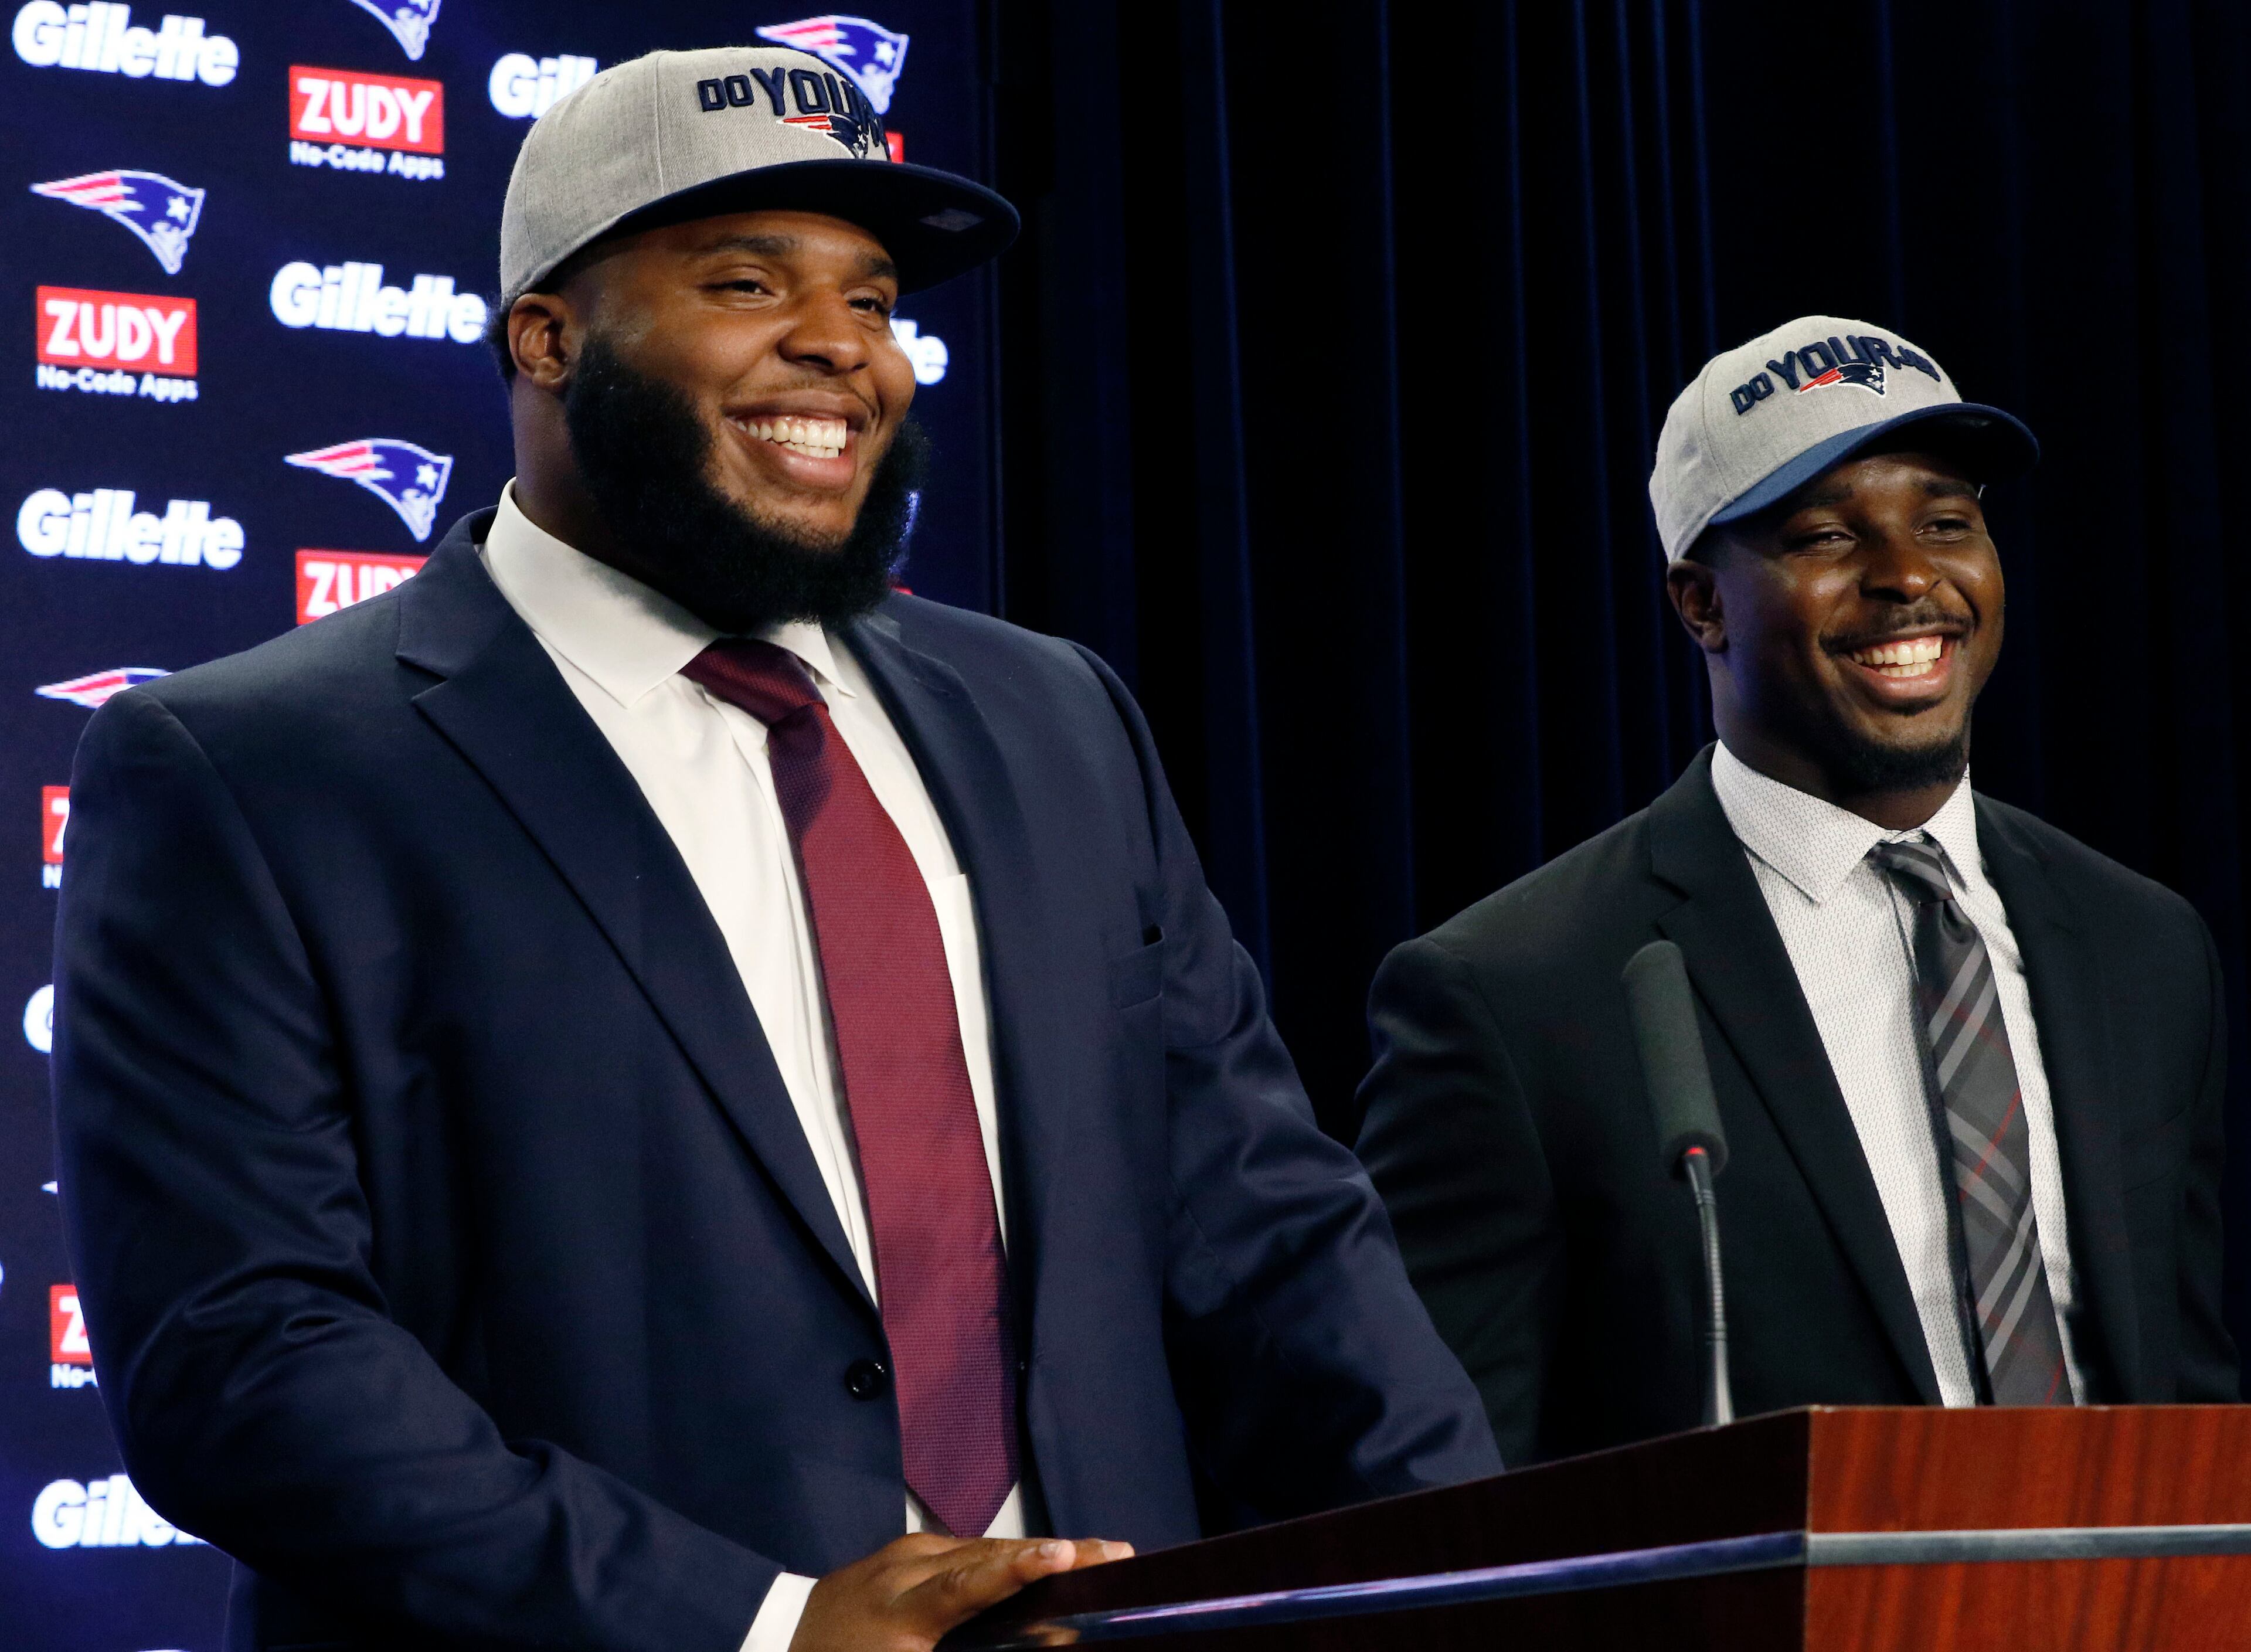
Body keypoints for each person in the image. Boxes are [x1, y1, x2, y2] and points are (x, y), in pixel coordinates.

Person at [52, 46, 1499, 1652]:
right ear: (548, 333)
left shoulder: (1055, 716)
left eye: (874, 302)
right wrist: (762, 1622)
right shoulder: (252, 767)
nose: (839, 347)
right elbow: (243, 1355)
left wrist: (1500, 1574)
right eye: (747, 281)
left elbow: (1271, 1230)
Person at [1355, 315, 2238, 1468]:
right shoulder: (1511, 995)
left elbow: (2191, 1398)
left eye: (1946, 522)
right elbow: (1447, 1489)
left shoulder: (2142, 943)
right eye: (1826, 534)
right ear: (1701, 603)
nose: (1909, 576)